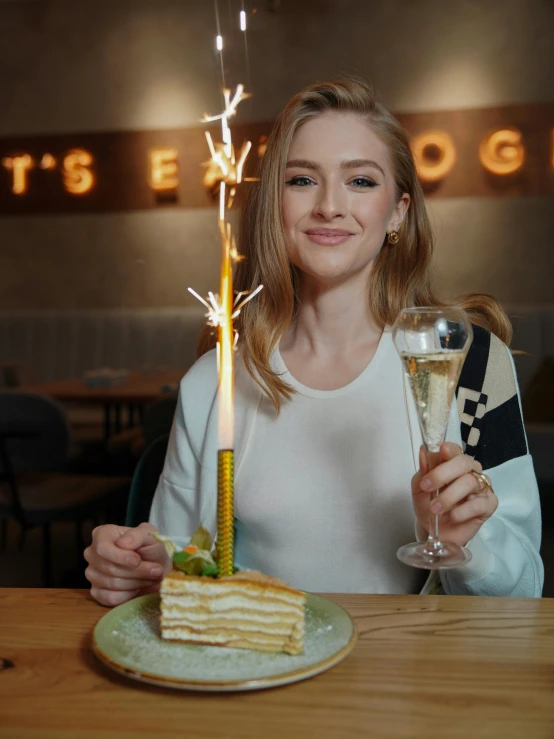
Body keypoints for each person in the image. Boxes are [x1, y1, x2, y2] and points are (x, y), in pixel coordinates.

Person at [85, 78, 543, 606]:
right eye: (302, 180)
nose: (329, 206)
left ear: (398, 210)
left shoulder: (471, 364)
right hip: (263, 672)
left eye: (361, 182)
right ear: (273, 206)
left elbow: (526, 589)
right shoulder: (214, 380)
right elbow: (180, 558)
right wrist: (138, 566)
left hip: (414, 677)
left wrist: (471, 544)